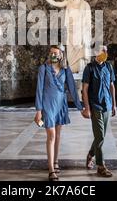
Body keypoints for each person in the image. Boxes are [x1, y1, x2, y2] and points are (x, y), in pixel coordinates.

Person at [34, 45, 84, 181]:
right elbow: (39, 89)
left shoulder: (66, 70)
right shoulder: (43, 69)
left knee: (58, 135)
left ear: (61, 55)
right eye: (51, 53)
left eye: (56, 53)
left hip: (61, 105)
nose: (53, 55)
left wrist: (80, 108)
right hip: (48, 105)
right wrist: (38, 110)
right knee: (51, 135)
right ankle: (51, 169)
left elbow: (73, 90)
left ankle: (55, 161)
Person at [39, 0, 92, 74]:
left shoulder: (85, 4)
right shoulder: (69, 2)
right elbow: (56, 3)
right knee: (71, 58)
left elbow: (88, 22)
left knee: (81, 58)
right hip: (71, 32)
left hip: (81, 33)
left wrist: (86, 35)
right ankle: (72, 73)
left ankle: (81, 72)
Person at [81, 45, 116, 177]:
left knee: (100, 136)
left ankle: (90, 154)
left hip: (106, 104)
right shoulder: (89, 68)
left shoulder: (108, 67)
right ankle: (101, 166)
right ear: (96, 53)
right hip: (95, 106)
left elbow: (112, 86)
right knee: (100, 136)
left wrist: (114, 105)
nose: (105, 53)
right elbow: (84, 89)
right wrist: (87, 108)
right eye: (103, 51)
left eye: (106, 51)